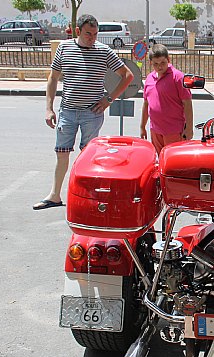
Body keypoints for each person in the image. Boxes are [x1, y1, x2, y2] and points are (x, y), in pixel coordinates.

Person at [33, 14, 133, 210]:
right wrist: (48, 108)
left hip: (91, 113)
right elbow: (53, 78)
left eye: (95, 34)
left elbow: (127, 76)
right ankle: (55, 195)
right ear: (78, 31)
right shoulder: (64, 48)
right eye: (88, 34)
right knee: (62, 153)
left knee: (88, 155)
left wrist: (109, 99)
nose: (92, 38)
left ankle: (86, 196)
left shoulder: (104, 51)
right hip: (67, 111)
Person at [140, 44, 193, 154]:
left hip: (174, 132)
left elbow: (187, 104)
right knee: (160, 163)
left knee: (175, 164)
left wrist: (189, 129)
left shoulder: (178, 77)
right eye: (156, 64)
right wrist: (142, 126)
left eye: (163, 63)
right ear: (151, 63)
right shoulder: (149, 78)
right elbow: (146, 104)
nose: (159, 67)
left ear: (168, 60)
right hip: (155, 131)